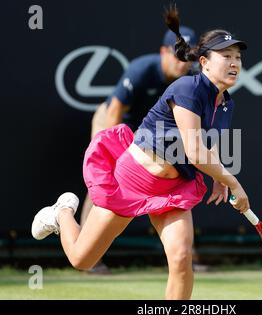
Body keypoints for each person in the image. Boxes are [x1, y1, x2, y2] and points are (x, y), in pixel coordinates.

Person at [31, 6, 249, 300]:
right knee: (83, 260)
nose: (234, 63)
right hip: (133, 179)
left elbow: (210, 144)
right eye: (226, 56)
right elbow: (195, 151)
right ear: (204, 62)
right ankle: (63, 213)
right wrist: (233, 181)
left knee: (182, 258)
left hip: (173, 189)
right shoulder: (187, 88)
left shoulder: (226, 103)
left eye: (238, 57)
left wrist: (219, 178)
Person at [81, 25, 197, 274]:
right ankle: (88, 253)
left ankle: (186, 257)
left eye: (188, 57)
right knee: (104, 183)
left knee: (175, 182)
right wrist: (114, 157)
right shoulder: (142, 70)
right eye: (178, 55)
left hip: (149, 133)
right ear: (163, 52)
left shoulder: (191, 79)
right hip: (115, 122)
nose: (182, 63)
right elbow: (114, 113)